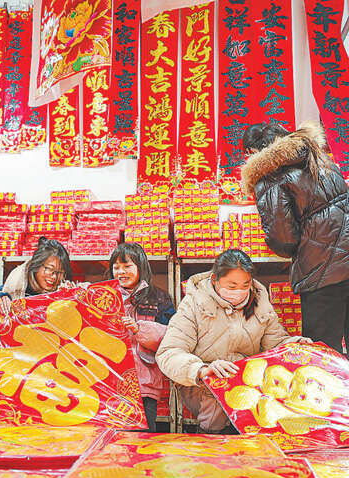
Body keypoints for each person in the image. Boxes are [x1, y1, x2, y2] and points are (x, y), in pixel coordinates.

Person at [156, 249, 310, 434]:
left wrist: (295, 345)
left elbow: (275, 342)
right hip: (204, 385)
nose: (239, 291)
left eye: (245, 285)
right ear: (215, 280)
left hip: (248, 383)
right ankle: (211, 441)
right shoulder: (194, 304)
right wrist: (202, 370)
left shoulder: (260, 302)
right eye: (232, 286)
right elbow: (169, 352)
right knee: (217, 411)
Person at [241, 120, 349, 354]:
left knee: (323, 352)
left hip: (323, 271)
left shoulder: (270, 176)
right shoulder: (320, 159)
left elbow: (283, 238)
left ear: (253, 152)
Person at [108, 242, 175, 432]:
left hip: (144, 386)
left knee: (143, 439)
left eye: (127, 266)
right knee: (113, 441)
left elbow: (170, 338)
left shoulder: (158, 299)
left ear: (141, 267)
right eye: (116, 267)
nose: (121, 272)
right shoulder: (104, 297)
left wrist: (139, 329)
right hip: (111, 383)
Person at [0, 236, 72, 343]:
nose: (53, 277)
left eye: (59, 273)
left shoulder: (61, 294)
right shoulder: (13, 289)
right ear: (36, 265)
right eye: (49, 269)